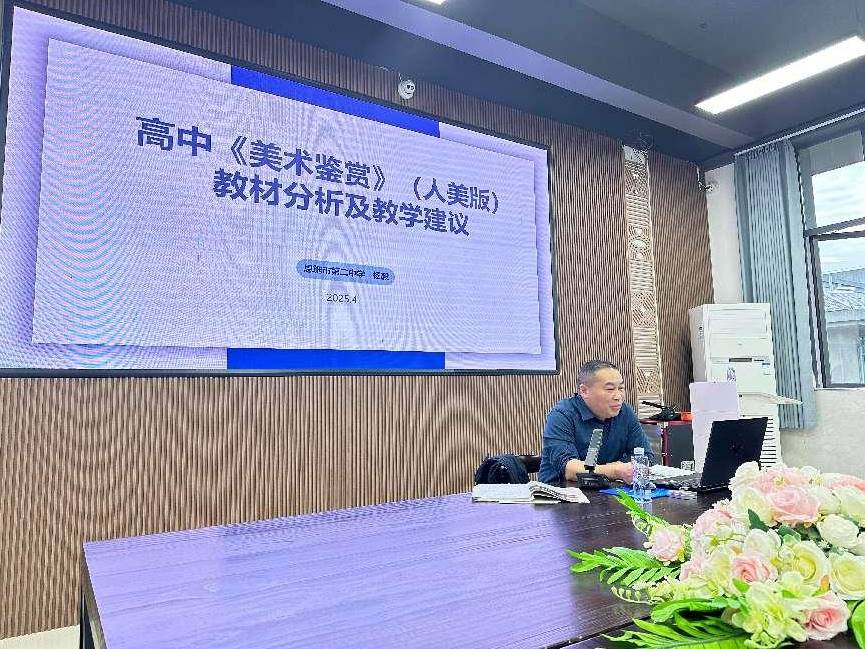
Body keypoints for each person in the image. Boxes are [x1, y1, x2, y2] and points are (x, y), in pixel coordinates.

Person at [539, 360, 654, 484]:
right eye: (610, 389)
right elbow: (569, 468)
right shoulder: (562, 414)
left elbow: (646, 456)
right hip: (562, 491)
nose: (618, 396)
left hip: (609, 490)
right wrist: (615, 470)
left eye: (621, 388)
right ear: (584, 391)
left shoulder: (624, 411)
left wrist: (615, 468)